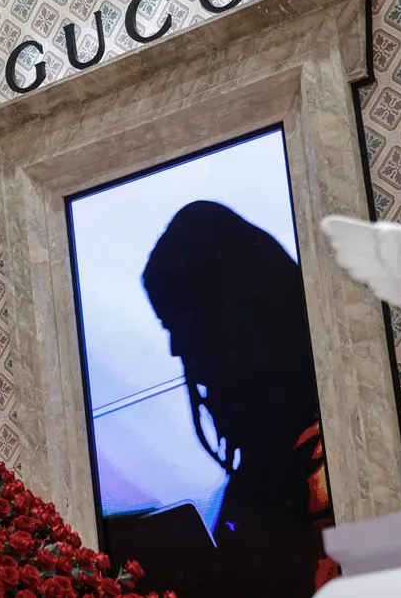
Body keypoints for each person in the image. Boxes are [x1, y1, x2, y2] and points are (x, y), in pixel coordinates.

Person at [109, 200, 335, 598]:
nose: (176, 349)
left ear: (244, 317)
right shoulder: (267, 467)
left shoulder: (324, 468)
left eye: (184, 322)